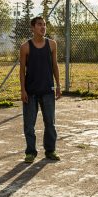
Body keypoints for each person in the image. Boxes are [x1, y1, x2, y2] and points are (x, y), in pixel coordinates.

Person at [19, 16, 61, 164]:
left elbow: (55, 65)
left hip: (48, 91)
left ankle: (50, 150)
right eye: (39, 25)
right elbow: (22, 70)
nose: (43, 27)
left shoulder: (52, 44)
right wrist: (23, 90)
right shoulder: (25, 47)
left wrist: (58, 85)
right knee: (29, 124)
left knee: (50, 122)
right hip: (31, 92)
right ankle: (30, 152)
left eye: (44, 25)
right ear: (32, 28)